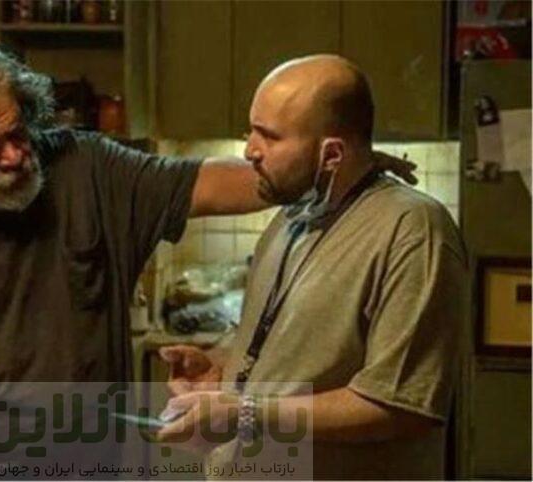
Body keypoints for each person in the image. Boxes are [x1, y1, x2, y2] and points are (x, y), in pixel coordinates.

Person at [0, 43, 415, 480]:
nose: (14, 156)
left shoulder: (84, 168)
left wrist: (337, 165)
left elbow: (220, 183)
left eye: (17, 132)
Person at [157, 55, 468, 480]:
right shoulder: (293, 217)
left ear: (331, 154)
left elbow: (401, 407)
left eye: (269, 136)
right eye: (251, 131)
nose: (249, 151)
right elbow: (298, 347)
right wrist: (224, 371)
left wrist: (246, 413)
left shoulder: (413, 231)